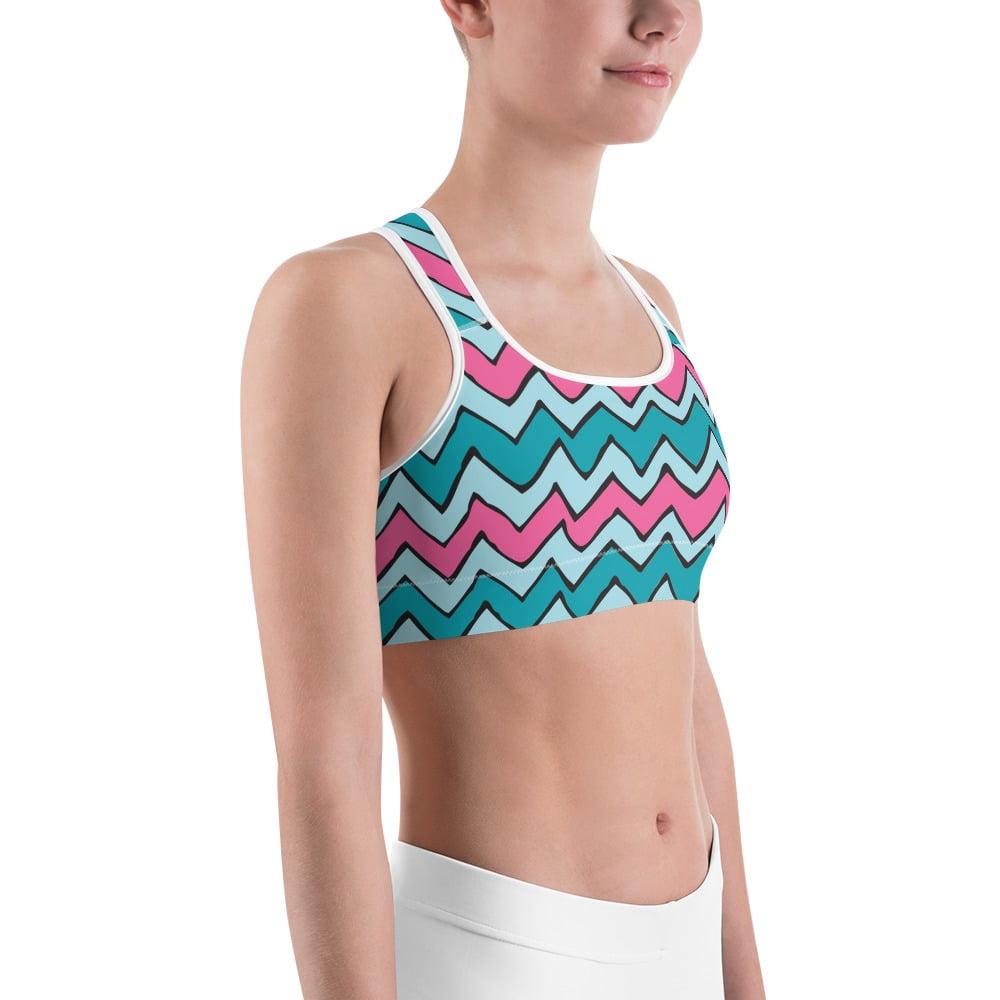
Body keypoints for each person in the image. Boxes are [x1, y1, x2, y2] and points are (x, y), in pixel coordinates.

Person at [241, 1, 765, 997]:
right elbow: (326, 758)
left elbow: (685, 678)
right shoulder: (351, 303)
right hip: (496, 961)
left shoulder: (653, 311)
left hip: (687, 947)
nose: (662, 19)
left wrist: (743, 975)